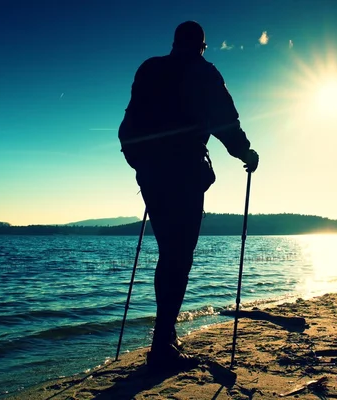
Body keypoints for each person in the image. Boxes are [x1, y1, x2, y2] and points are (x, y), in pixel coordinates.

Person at [118, 21, 259, 368]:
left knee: (170, 252)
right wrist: (247, 154)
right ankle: (162, 346)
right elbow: (226, 122)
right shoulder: (204, 72)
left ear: (175, 43)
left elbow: (129, 125)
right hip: (182, 172)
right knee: (178, 256)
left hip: (151, 172)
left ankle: (164, 336)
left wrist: (141, 165)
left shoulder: (149, 68)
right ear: (202, 46)